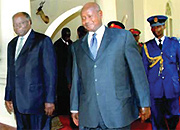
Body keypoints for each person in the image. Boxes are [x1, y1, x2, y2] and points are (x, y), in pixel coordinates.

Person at [70, 2, 151, 130]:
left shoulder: (122, 37)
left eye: (90, 16)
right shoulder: (77, 46)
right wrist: (74, 107)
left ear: (100, 14)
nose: (86, 21)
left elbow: (137, 73)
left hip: (118, 111)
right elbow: (76, 79)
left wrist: (144, 103)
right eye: (83, 18)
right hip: (89, 113)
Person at [4, 12, 57, 129]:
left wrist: (50, 100)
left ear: (29, 23)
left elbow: (50, 73)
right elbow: (11, 72)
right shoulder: (12, 45)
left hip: (36, 101)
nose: (18, 27)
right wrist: (8, 96)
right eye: (15, 25)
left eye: (21, 23)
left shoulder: (42, 41)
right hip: (18, 100)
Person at [142, 15, 180, 130]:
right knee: (157, 119)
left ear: (164, 26)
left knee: (174, 115)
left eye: (158, 27)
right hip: (155, 89)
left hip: (171, 87)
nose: (156, 30)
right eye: (153, 28)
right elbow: (144, 69)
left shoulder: (174, 43)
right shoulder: (147, 47)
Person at [54, 27, 72, 115]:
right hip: (60, 74)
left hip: (69, 73)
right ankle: (61, 111)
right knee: (61, 94)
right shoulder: (57, 45)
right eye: (66, 35)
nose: (68, 37)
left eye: (69, 35)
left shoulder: (71, 44)